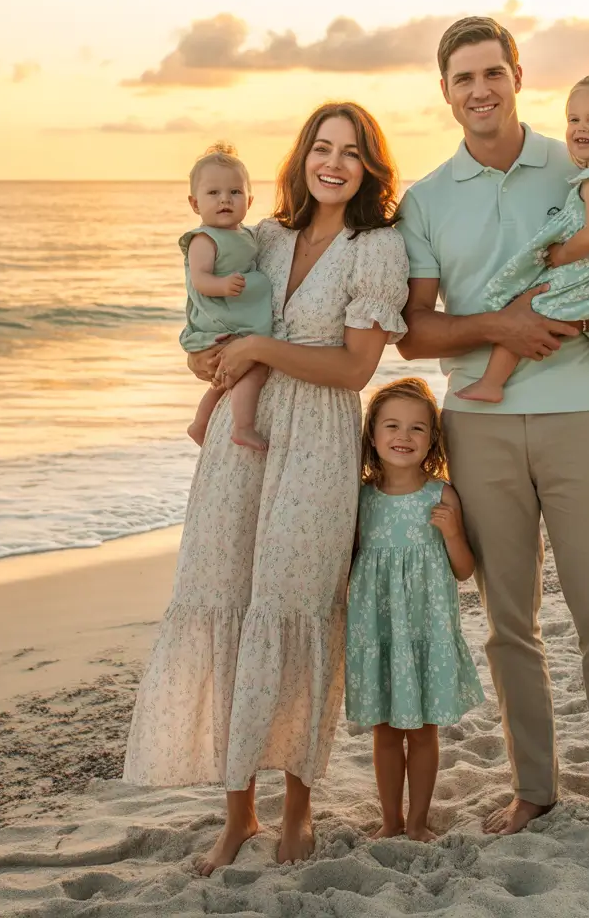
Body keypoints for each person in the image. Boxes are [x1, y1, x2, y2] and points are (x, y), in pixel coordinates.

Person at [397, 17, 589, 837]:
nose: (480, 90)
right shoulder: (423, 200)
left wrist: (576, 323)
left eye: (493, 72)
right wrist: (503, 328)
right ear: (446, 91)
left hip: (580, 414)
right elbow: (415, 331)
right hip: (480, 425)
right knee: (508, 623)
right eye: (463, 79)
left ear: (517, 74)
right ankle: (534, 786)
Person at [123, 102, 411, 871]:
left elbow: (355, 368)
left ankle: (297, 814)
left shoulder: (377, 247)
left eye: (351, 152)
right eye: (322, 146)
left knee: (294, 608)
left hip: (317, 438)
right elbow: (209, 322)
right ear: (302, 155)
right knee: (227, 600)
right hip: (239, 442)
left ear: (369, 167)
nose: (334, 162)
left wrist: (259, 347)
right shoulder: (266, 236)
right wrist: (212, 360)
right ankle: (237, 815)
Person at [456, 72, 589, 429]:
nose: (580, 128)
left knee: (528, 310)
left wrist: (561, 255)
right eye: (573, 120)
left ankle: (492, 383)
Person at [346, 377, 484, 841]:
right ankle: (391, 821)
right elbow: (347, 567)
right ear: (372, 434)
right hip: (380, 634)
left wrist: (451, 534)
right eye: (392, 426)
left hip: (427, 632)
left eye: (417, 429)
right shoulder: (359, 498)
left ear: (432, 439)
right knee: (385, 731)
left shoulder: (441, 496)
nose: (403, 437)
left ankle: (419, 821)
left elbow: (464, 571)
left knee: (424, 730)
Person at [180, 143, 273, 449]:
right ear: (195, 204)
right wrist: (221, 286)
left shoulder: (247, 234)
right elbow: (199, 279)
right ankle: (242, 426)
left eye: (235, 192)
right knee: (252, 368)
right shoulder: (204, 239)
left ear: (249, 199)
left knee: (229, 377)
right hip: (219, 322)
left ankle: (200, 424)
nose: (225, 199)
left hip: (236, 318)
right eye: (213, 193)